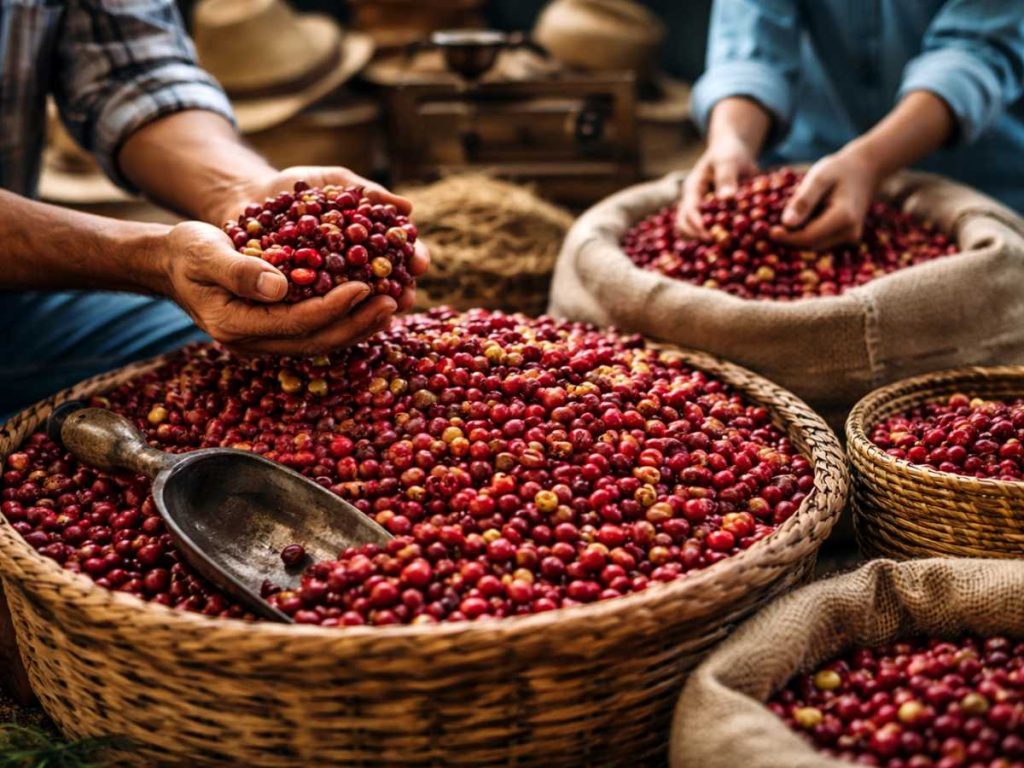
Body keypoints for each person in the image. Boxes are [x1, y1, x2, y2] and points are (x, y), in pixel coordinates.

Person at [0, 0, 428, 413]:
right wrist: (150, 259)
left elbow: (131, 74)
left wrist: (239, 191)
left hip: (19, 303)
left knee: (256, 351)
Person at [679, 0, 1024, 249]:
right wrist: (732, 140)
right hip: (806, 175)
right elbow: (749, 41)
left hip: (978, 185)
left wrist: (869, 162)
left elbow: (976, 53)